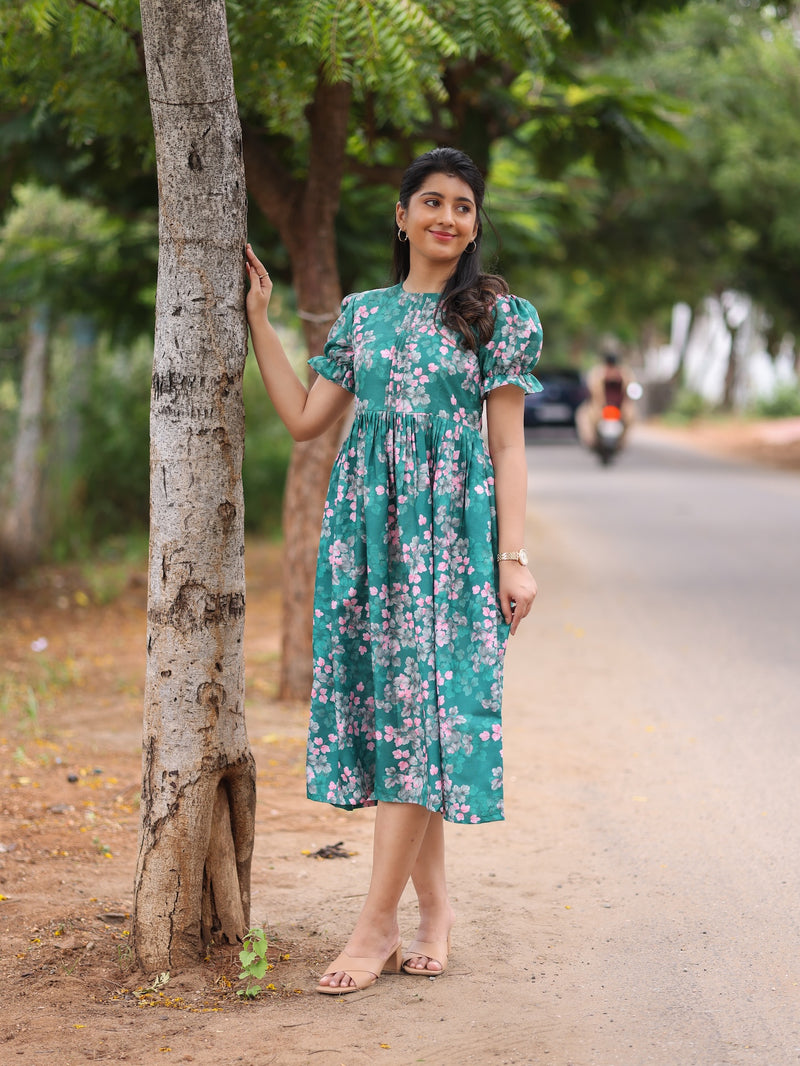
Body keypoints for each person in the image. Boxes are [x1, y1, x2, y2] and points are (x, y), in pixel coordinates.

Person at [245, 147, 542, 995]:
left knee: (422, 719)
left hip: (450, 542)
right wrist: (260, 324)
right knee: (398, 722)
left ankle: (374, 927)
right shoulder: (364, 316)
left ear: (474, 225)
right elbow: (306, 419)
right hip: (368, 542)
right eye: (433, 202)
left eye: (464, 207)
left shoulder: (497, 315)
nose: (449, 218)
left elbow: (509, 442)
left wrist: (512, 559)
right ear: (402, 216)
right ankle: (435, 911)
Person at [575, 351, 634, 449]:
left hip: (619, 407)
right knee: (584, 417)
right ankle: (591, 440)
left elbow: (631, 388)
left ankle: (621, 442)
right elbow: (592, 389)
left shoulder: (624, 373)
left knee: (631, 416)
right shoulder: (599, 373)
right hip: (599, 407)